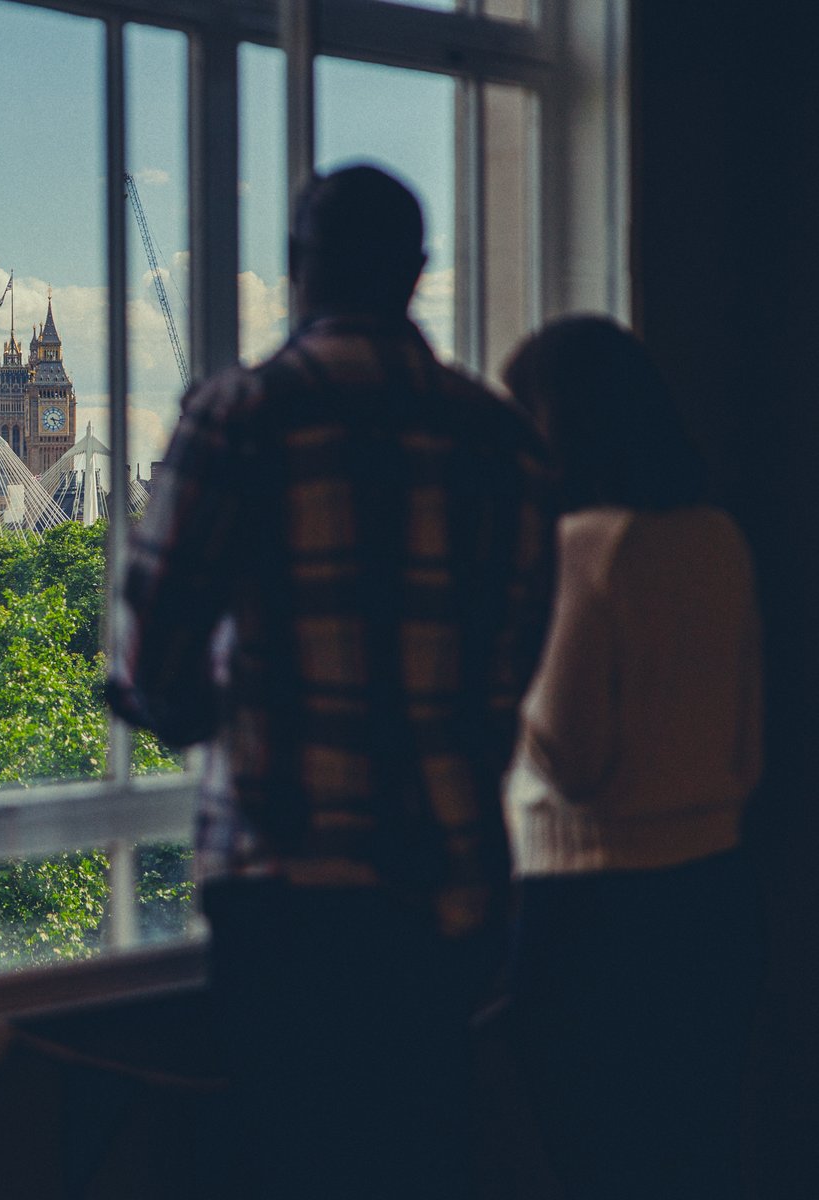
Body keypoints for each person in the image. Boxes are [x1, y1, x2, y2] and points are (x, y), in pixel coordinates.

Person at [108, 164, 556, 1199]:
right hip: (450, 886)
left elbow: (154, 659)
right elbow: (514, 659)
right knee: (422, 1159)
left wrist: (184, 706)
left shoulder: (241, 414)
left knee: (293, 1160)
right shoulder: (505, 439)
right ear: (416, 273)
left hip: (287, 889)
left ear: (296, 266)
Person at [500, 315, 765, 1200]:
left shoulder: (580, 547)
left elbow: (569, 759)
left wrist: (502, 662)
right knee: (697, 1159)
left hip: (592, 914)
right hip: (716, 893)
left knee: (599, 1166)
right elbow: (745, 740)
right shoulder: (716, 537)